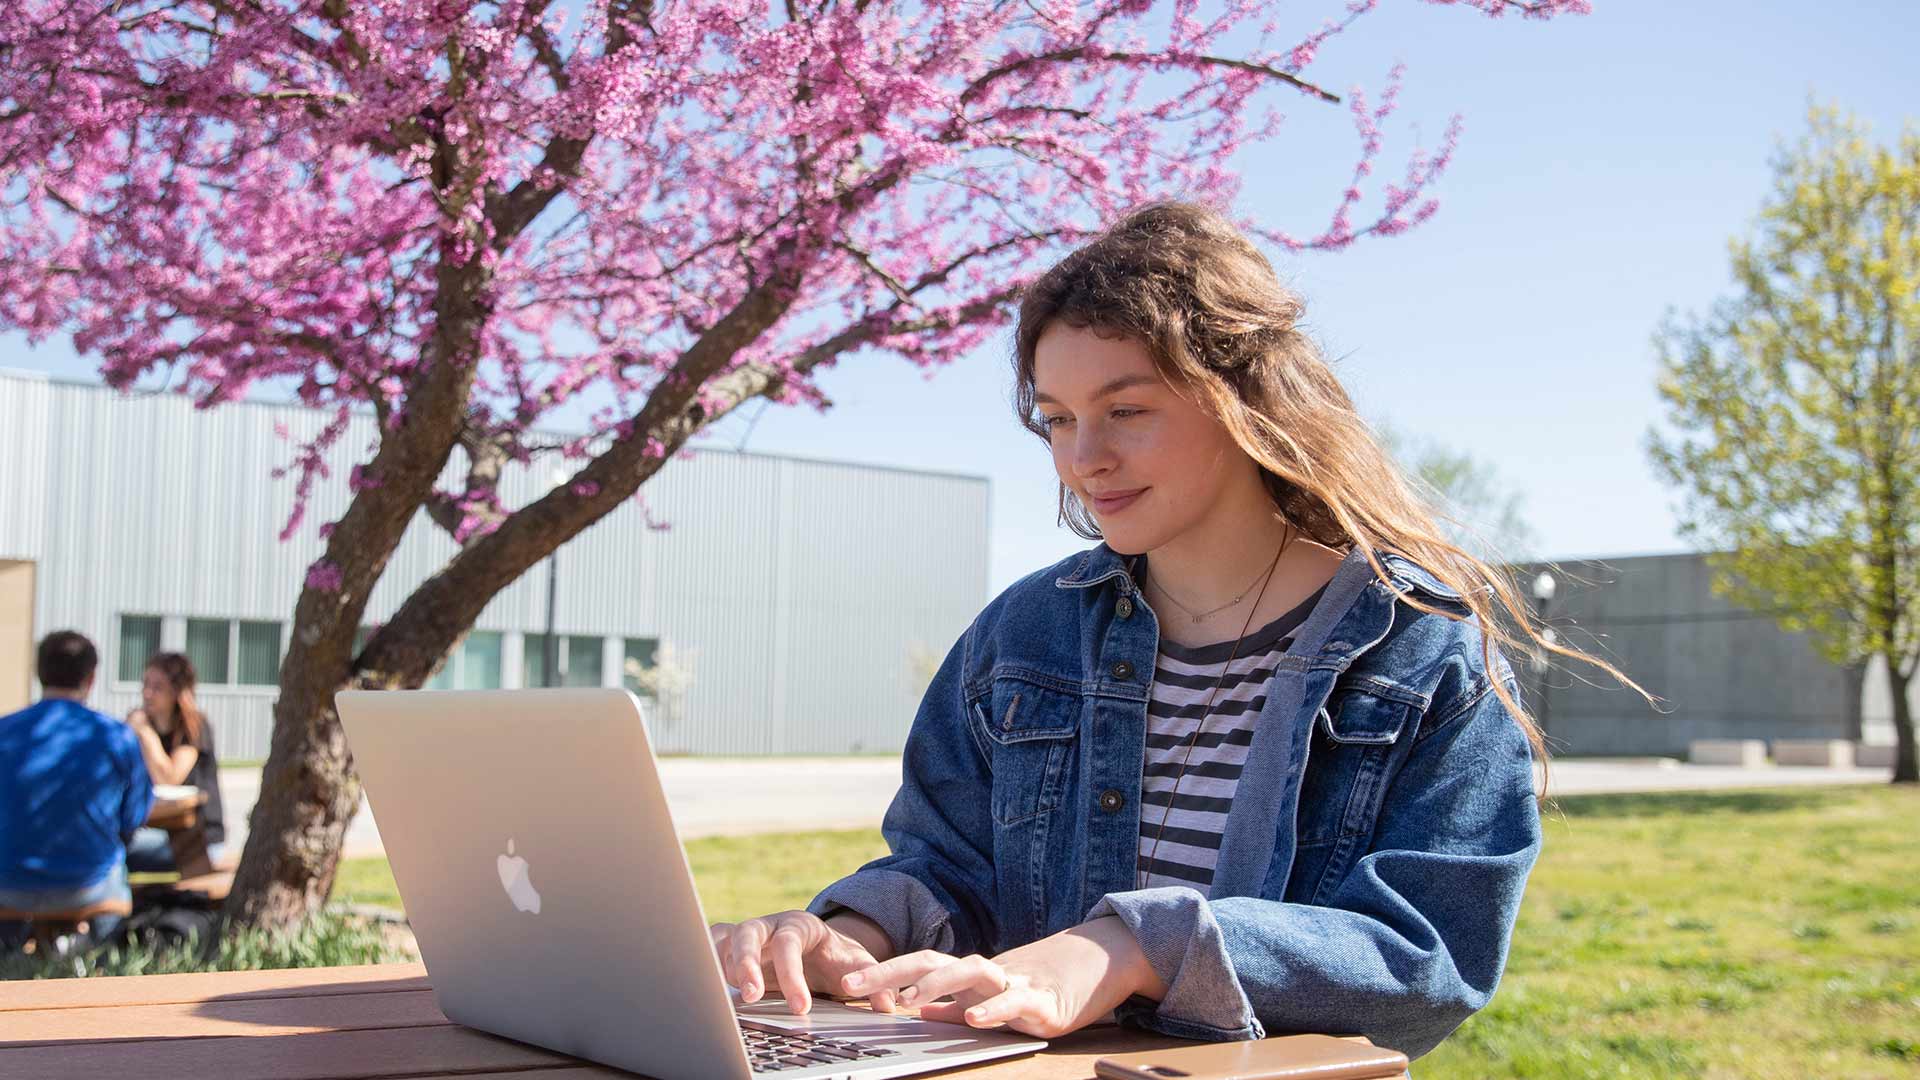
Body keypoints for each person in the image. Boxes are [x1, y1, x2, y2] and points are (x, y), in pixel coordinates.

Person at [708, 202, 1642, 1060]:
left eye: (1127, 411)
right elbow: (946, 867)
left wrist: (1126, 951)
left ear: (1248, 400)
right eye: (1059, 419)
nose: (1085, 459)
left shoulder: (1420, 653)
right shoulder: (1026, 631)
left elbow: (1427, 955)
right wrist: (845, 939)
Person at [0, 631, 155, 948]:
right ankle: (103, 959)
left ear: (38, 672)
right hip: (89, 883)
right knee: (128, 856)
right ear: (92, 677)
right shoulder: (117, 736)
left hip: (8, 883)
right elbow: (134, 817)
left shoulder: (5, 732)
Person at [123, 652, 229, 873]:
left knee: (114, 852)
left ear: (178, 691)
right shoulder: (142, 726)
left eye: (157, 687)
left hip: (199, 841)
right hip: (159, 832)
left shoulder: (194, 727)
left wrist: (144, 732)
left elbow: (169, 779)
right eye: (145, 684)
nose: (147, 693)